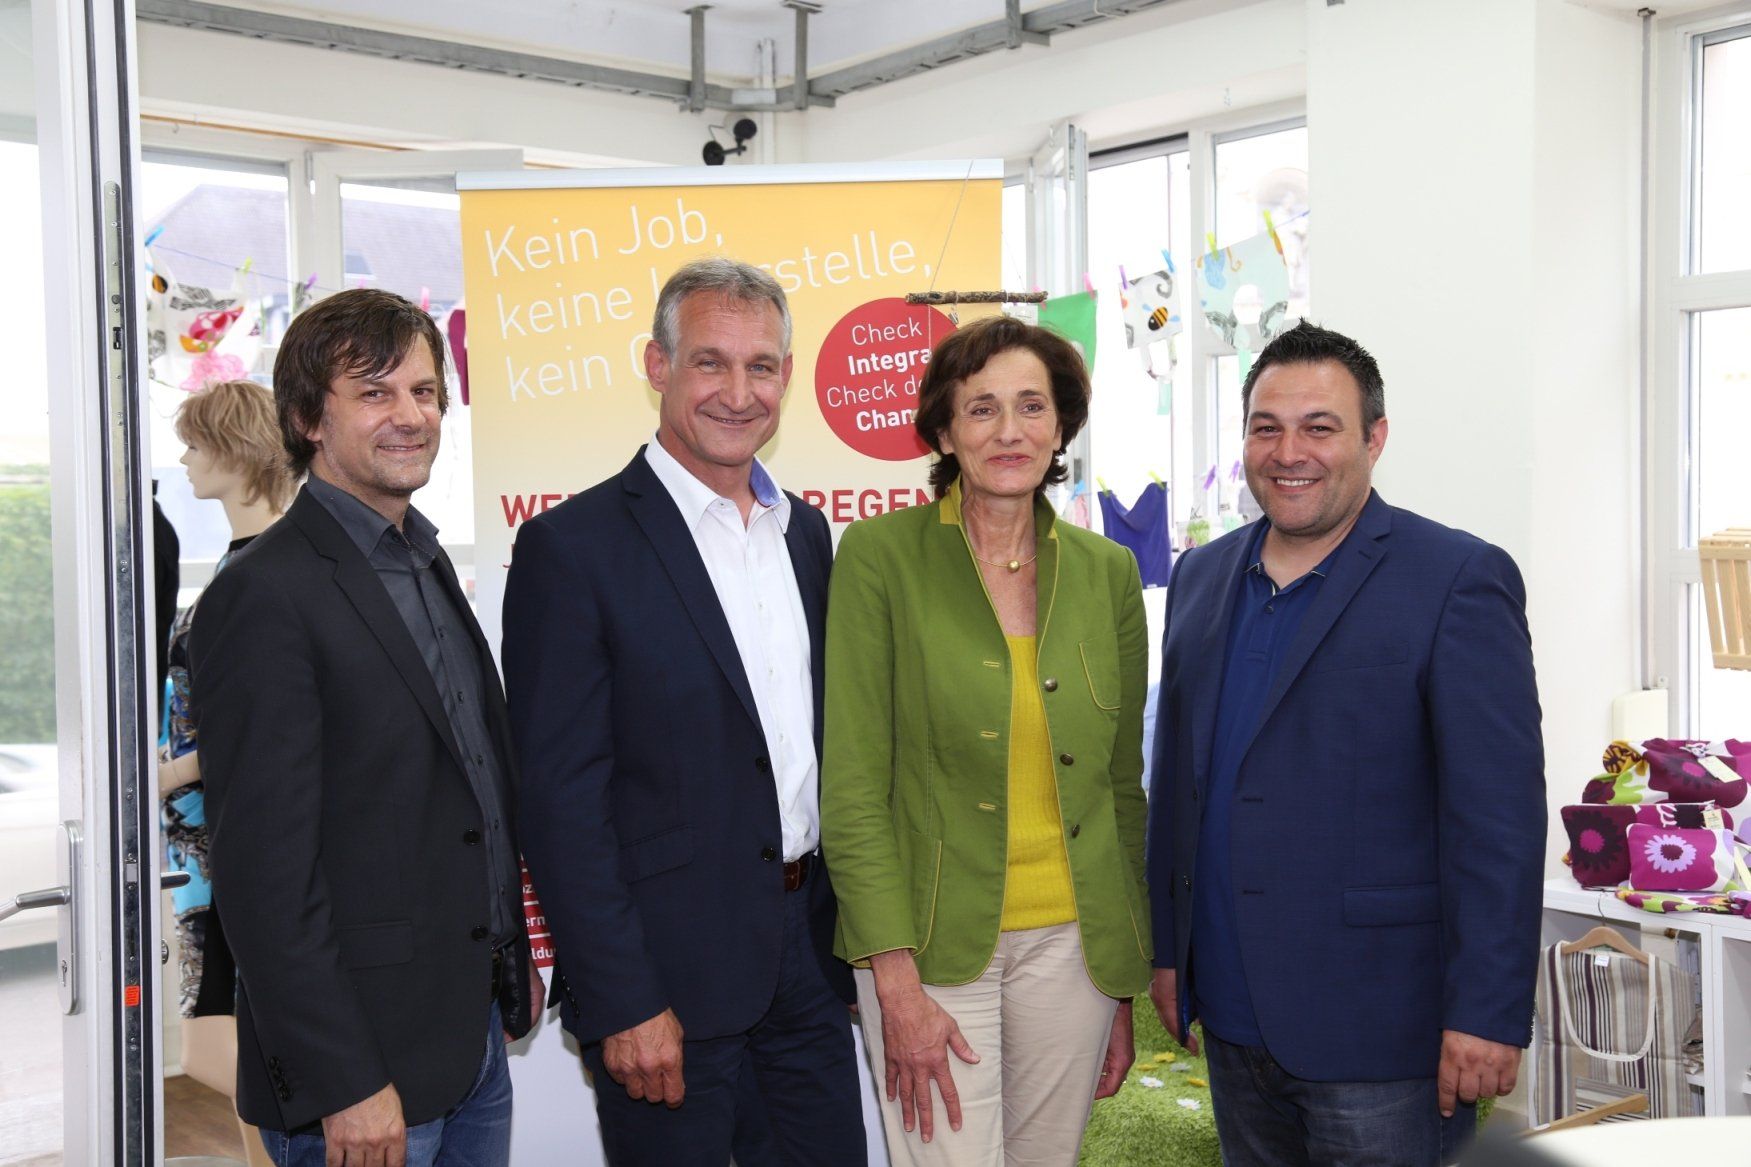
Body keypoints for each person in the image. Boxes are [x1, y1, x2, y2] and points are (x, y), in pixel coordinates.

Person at [1146, 321, 1545, 1166]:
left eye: (1318, 427)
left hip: (1382, 1031)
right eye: (1265, 427)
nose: (1288, 452)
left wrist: (1486, 1010)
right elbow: (1177, 783)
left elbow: (1497, 820)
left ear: (1374, 438)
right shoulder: (1200, 577)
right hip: (1232, 1020)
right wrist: (1169, 950)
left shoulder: (1455, 579)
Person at [502, 258, 866, 1166]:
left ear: (787, 375)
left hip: (808, 961)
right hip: (662, 980)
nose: (738, 393)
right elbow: (559, 801)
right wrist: (621, 995)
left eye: (761, 366)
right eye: (710, 362)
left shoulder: (807, 534)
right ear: (657, 365)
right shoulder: (569, 548)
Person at [189, 288, 542, 1167]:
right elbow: (262, 874)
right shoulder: (262, 593)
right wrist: (342, 1079)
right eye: (375, 393)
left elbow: (467, 785)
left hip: (467, 1039)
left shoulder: (424, 560)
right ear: (307, 418)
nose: (410, 416)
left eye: (423, 392)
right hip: (360, 1077)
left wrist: (509, 958)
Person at [822, 313, 1152, 1164]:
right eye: (981, 408)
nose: (1009, 430)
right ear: (943, 431)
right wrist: (893, 983)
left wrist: (1119, 981)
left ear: (1061, 426)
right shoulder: (878, 557)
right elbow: (852, 787)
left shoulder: (1108, 571)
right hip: (929, 950)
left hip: (1073, 950)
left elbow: (1121, 788)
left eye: (1032, 406)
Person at [159, 379, 294, 1167]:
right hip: (205, 846)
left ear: (236, 451)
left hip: (230, 846)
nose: (184, 460)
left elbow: (270, 726)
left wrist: (168, 773)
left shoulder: (265, 573)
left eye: (195, 443)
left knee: (218, 1050)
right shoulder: (244, 564)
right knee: (229, 1040)